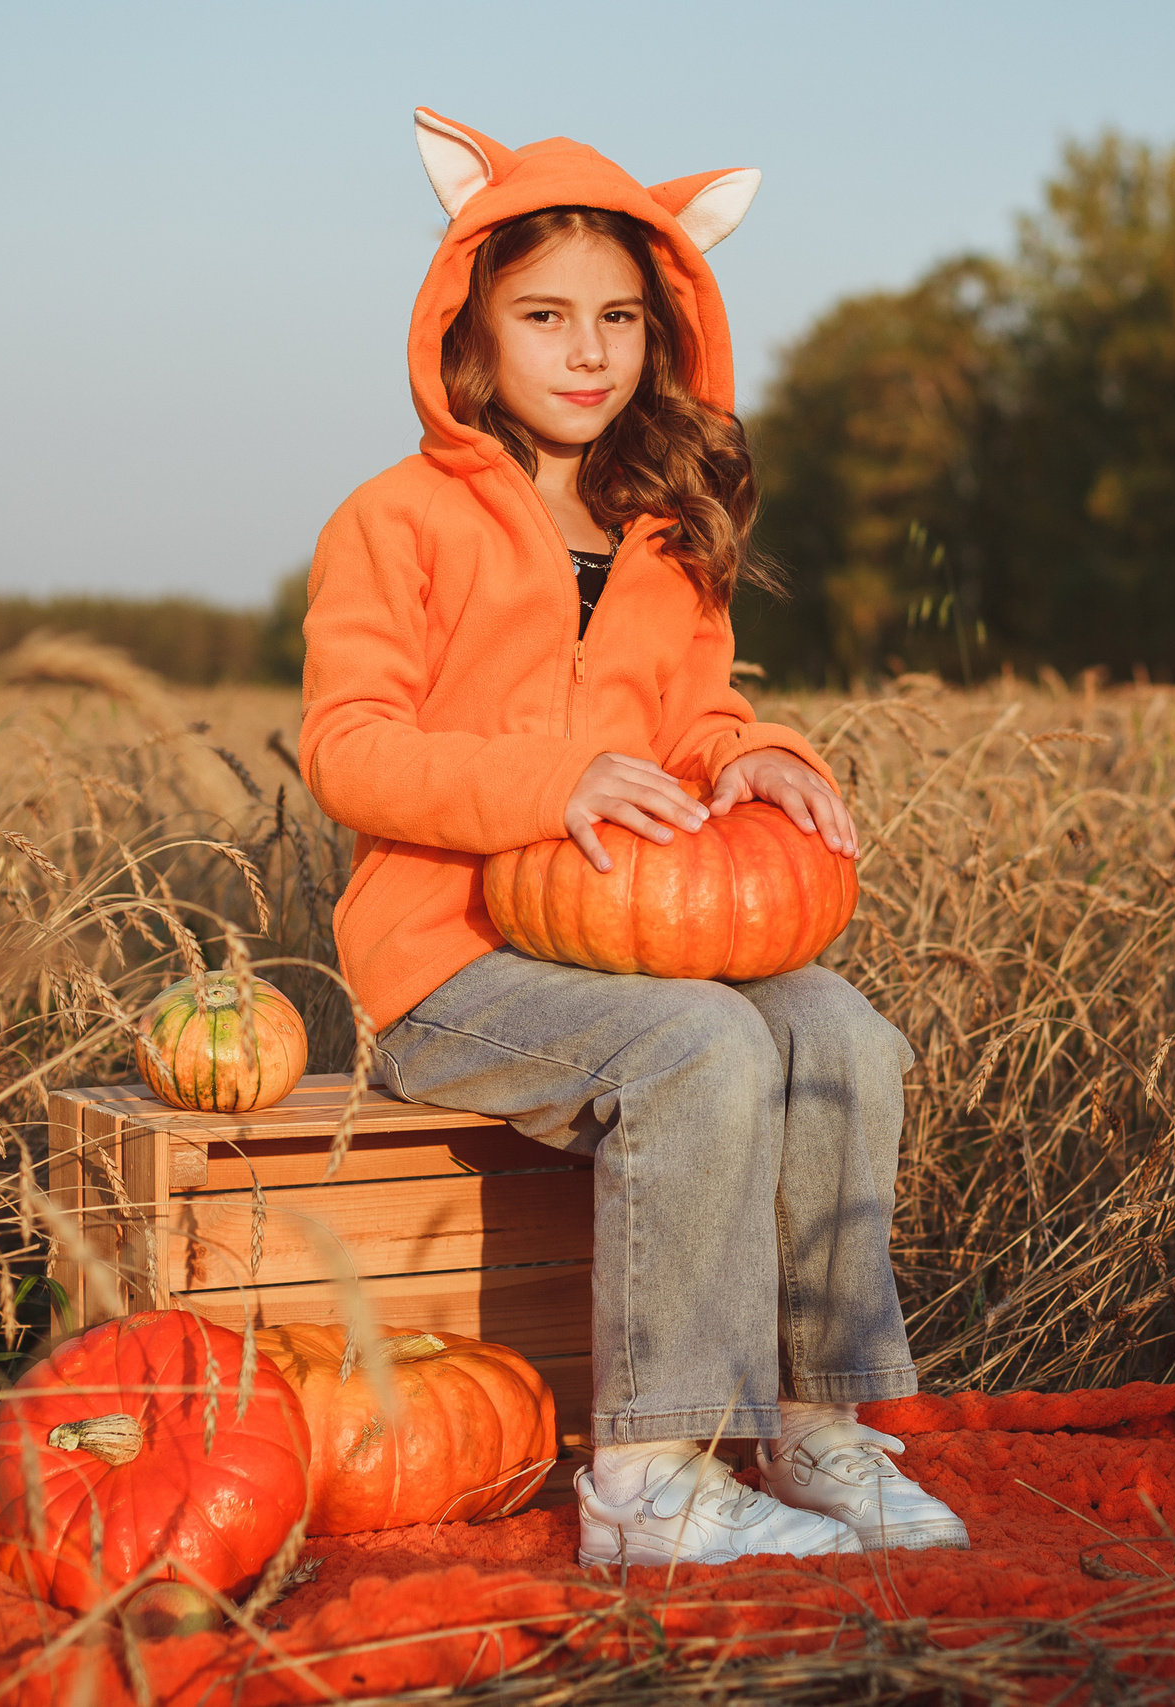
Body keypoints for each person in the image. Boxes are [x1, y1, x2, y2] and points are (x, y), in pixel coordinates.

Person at [298, 109, 966, 1568]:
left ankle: (816, 1426)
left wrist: (768, 760)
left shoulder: (666, 532)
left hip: (625, 933)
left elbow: (702, 716)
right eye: (545, 316)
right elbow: (349, 749)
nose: (587, 351)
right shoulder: (398, 522)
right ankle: (649, 1479)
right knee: (703, 1048)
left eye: (617, 319)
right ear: (470, 322)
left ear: (662, 334)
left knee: (841, 1033)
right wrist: (554, 785)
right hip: (457, 964)